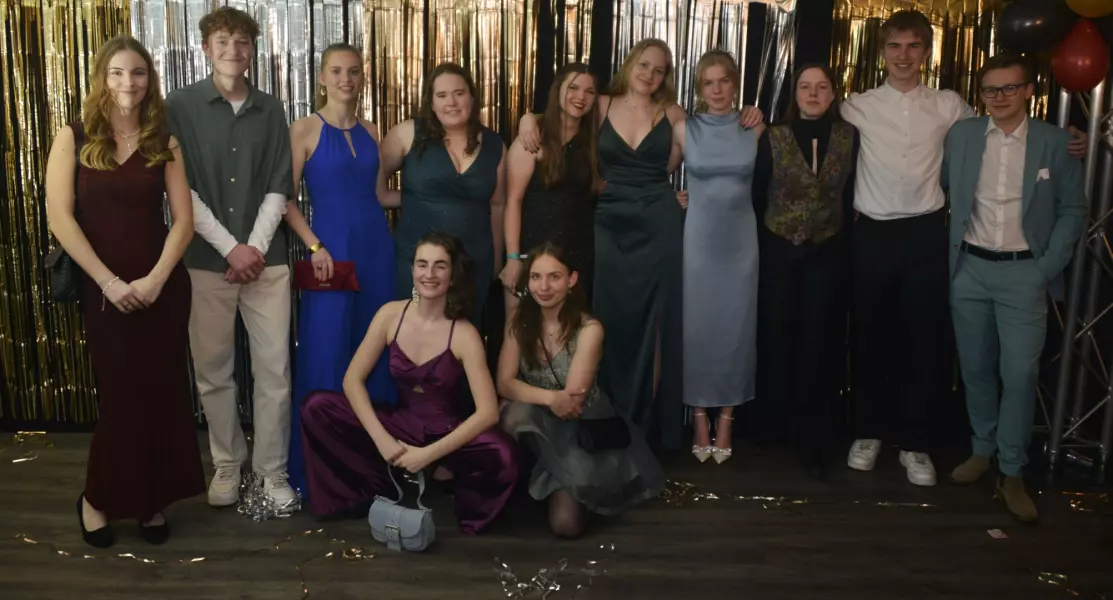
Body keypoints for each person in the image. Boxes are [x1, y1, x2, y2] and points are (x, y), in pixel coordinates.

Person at [840, 10, 1088, 486]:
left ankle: (915, 443)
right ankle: (868, 432)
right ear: (882, 52)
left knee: (924, 343)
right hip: (872, 234)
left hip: (927, 234)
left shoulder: (952, 106)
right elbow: (810, 121)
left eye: (914, 46)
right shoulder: (857, 106)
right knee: (869, 337)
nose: (903, 56)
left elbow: (1007, 130)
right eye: (895, 46)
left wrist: (1069, 138)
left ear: (926, 52)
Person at [518, 39, 761, 450]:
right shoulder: (600, 105)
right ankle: (607, 417)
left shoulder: (674, 113)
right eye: (644, 65)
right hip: (609, 223)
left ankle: (648, 428)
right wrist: (530, 117)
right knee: (609, 317)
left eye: (660, 70)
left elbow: (692, 161)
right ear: (630, 64)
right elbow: (562, 118)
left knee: (656, 322)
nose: (650, 74)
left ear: (667, 77)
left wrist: (752, 117)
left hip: (658, 223)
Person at [45, 36, 204, 547]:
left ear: (149, 80)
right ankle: (96, 500)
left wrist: (156, 280)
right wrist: (108, 282)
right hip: (104, 290)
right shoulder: (73, 137)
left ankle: (149, 500)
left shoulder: (164, 141)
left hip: (161, 289)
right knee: (121, 400)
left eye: (137, 72)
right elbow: (60, 219)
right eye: (117, 72)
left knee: (159, 396)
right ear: (102, 79)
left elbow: (184, 221)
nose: (128, 82)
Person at [942, 54, 1087, 522]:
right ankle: (982, 449)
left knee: (1020, 374)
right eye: (990, 89)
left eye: (1009, 88)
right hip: (969, 269)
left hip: (1025, 273)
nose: (999, 97)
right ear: (981, 94)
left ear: (1028, 90)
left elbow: (1073, 209)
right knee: (976, 369)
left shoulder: (1056, 142)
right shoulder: (961, 135)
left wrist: (1046, 268)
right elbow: (942, 184)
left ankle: (1012, 470)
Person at [299, 233, 518, 534]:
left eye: (440, 266)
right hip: (401, 425)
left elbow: (488, 412)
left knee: (503, 453)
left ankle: (454, 491)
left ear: (452, 274)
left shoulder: (465, 333)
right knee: (316, 407)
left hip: (446, 433)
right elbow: (352, 380)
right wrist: (382, 439)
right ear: (412, 269)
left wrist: (427, 455)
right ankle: (368, 491)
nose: (430, 274)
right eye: (422, 264)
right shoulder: (390, 314)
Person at [166, 6, 297, 507]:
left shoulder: (272, 108)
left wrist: (253, 251)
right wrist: (231, 249)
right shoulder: (179, 106)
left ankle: (272, 471)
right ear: (205, 48)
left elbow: (279, 184)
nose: (233, 50)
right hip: (205, 260)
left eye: (242, 41)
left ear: (252, 49)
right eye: (222, 41)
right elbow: (181, 190)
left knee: (274, 372)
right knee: (213, 370)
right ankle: (227, 462)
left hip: (268, 262)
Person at [284, 43, 398, 498]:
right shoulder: (304, 129)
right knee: (327, 350)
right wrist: (314, 246)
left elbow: (382, 196)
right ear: (322, 77)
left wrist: (438, 197)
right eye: (336, 71)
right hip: (330, 253)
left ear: (362, 77)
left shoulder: (371, 130)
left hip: (376, 251)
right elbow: (285, 200)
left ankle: (370, 469)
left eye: (353, 71)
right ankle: (319, 471)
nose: (346, 79)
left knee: (374, 349)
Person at [497, 242, 665, 538]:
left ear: (571, 279)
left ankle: (571, 485)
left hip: (578, 425)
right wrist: (550, 397)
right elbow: (504, 382)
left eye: (554, 277)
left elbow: (572, 401)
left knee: (566, 526)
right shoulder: (518, 321)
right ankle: (542, 476)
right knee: (514, 414)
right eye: (536, 277)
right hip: (537, 415)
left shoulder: (589, 329)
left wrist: (539, 396)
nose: (543, 287)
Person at [752, 64, 859, 480]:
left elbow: (850, 195)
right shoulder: (773, 137)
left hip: (828, 252)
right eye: (805, 87)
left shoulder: (849, 137)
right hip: (778, 252)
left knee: (820, 343)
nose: (813, 94)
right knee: (779, 337)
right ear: (794, 94)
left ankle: (815, 437)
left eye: (821, 87)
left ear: (833, 94)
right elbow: (757, 194)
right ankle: (774, 427)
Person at [671, 50, 762, 464]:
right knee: (698, 329)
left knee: (736, 328)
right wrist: (670, 197)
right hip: (699, 243)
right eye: (708, 83)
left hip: (741, 242)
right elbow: (651, 172)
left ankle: (727, 417)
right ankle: (699, 417)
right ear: (699, 88)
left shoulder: (754, 127)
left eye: (724, 80)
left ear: (734, 83)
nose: (717, 89)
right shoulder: (683, 128)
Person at [378, 62, 507, 327]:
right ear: (431, 103)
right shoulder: (407, 133)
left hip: (474, 261)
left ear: (472, 97)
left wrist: (497, 258)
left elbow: (498, 206)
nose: (451, 102)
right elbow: (377, 191)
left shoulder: (495, 145)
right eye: (442, 95)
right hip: (418, 262)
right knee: (414, 333)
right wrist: (414, 198)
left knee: (464, 337)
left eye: (459, 93)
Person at [499, 63, 600, 310]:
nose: (581, 97)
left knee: (570, 328)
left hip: (576, 255)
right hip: (532, 252)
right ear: (558, 90)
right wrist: (513, 258)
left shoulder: (594, 141)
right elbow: (513, 201)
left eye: (589, 91)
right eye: (573, 88)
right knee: (519, 327)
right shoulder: (533, 138)